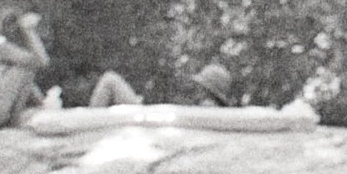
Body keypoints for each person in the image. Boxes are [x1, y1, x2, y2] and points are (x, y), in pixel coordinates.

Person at [87, 59, 236, 110]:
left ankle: (89, 122)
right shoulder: (206, 105)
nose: (198, 89)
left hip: (149, 122)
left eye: (202, 87)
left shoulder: (207, 106)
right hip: (152, 119)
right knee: (110, 80)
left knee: (110, 80)